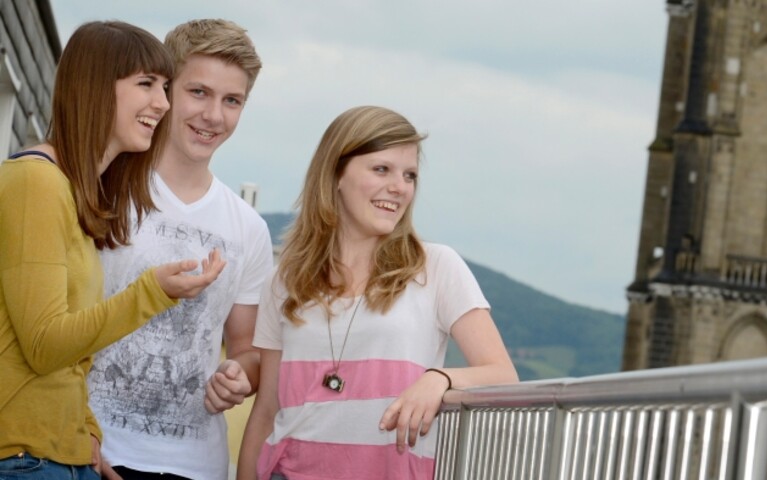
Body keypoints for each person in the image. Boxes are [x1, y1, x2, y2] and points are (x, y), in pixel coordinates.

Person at [237, 106, 519, 480]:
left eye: (410, 175)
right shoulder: (285, 281)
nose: (400, 187)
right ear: (336, 173)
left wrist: (440, 378)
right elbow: (267, 409)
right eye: (381, 169)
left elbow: (502, 374)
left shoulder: (436, 267)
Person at [0, 21, 226, 480]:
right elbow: (44, 345)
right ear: (95, 88)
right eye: (146, 84)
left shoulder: (73, 194)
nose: (162, 103)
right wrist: (152, 292)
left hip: (62, 455)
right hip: (24, 458)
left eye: (164, 87)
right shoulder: (35, 182)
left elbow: (68, 358)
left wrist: (84, 430)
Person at [86, 19, 273, 480]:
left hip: (195, 468)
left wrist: (240, 376)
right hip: (92, 452)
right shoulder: (102, 193)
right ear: (166, 91)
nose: (214, 116)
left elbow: (248, 348)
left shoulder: (248, 228)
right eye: (199, 93)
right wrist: (71, 430)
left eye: (232, 101)